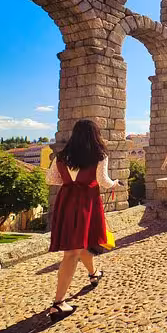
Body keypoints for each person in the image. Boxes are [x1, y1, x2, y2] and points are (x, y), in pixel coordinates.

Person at [45, 119, 123, 322]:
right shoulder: (99, 156)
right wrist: (115, 183)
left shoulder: (62, 156)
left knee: (80, 245)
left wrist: (70, 181)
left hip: (66, 201)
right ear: (95, 135)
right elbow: (104, 182)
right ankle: (58, 303)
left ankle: (94, 273)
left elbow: (50, 179)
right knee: (72, 252)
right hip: (86, 203)